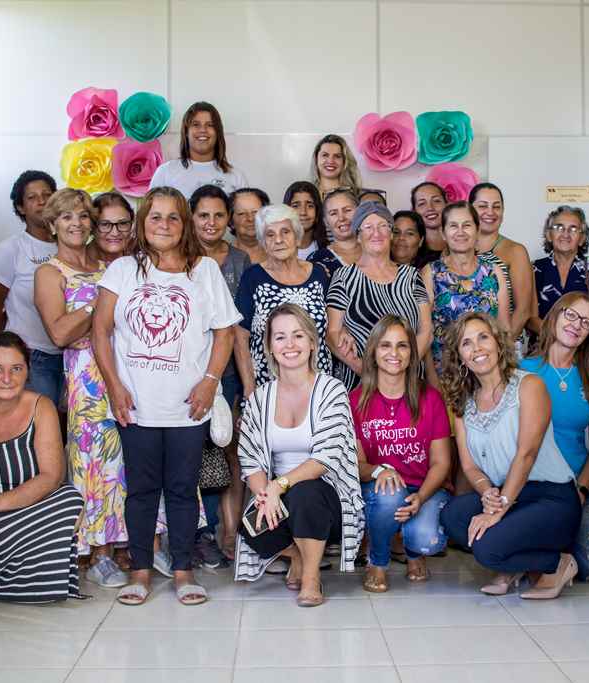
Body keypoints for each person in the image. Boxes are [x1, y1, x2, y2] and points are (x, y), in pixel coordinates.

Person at [92, 186, 240, 606]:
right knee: (140, 490)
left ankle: (182, 571)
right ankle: (139, 571)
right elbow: (100, 330)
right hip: (134, 403)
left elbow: (225, 332)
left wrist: (211, 380)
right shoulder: (122, 269)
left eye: (173, 217)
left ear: (185, 223)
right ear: (143, 222)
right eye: (155, 216)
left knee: (181, 489)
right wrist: (114, 386)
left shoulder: (204, 271)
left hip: (188, 405)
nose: (163, 225)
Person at [439, 313, 581, 599]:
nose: (477, 348)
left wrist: (498, 509)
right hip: (508, 494)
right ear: (460, 357)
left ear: (498, 343)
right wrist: (487, 492)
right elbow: (469, 465)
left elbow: (526, 455)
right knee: (453, 517)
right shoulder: (463, 402)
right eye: (466, 343)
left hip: (550, 498)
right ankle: (517, 561)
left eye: (483, 337)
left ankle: (559, 563)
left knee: (486, 549)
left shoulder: (529, 386)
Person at [234, 304, 364, 608]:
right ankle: (299, 556)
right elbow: (250, 460)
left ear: (312, 342)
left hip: (326, 497)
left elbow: (324, 459)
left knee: (306, 494)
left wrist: (279, 486)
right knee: (251, 525)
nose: (289, 345)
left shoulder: (332, 390)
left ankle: (310, 579)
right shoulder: (260, 399)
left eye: (298, 336)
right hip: (278, 495)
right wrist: (265, 495)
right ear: (269, 346)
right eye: (280, 337)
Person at [33, 189, 130, 587]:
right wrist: (97, 307)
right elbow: (58, 333)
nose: (77, 224)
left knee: (124, 462)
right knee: (95, 462)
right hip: (87, 381)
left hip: (123, 368)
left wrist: (89, 323)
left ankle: (128, 543)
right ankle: (97, 551)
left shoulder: (106, 261)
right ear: (52, 224)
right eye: (66, 217)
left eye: (83, 217)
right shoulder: (49, 273)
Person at [0, 332, 85, 602]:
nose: (7, 378)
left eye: (16, 369)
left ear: (28, 371)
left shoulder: (40, 406)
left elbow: (51, 476)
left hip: (26, 502)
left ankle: (7, 573)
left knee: (70, 499)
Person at [350, 316, 451, 592]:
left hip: (425, 487)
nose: (393, 354)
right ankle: (377, 561)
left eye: (402, 346)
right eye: (385, 345)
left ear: (412, 353)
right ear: (373, 351)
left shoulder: (430, 398)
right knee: (390, 493)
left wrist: (421, 496)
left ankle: (413, 551)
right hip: (380, 488)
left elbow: (442, 462)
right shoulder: (356, 400)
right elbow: (356, 464)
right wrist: (380, 470)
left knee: (426, 540)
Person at [520, 292, 589, 582]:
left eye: (586, 321)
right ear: (555, 316)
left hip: (577, 484)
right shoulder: (521, 370)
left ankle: (555, 549)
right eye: (571, 314)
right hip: (533, 485)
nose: (577, 325)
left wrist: (582, 491)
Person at [191, 184, 251, 563]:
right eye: (203, 215)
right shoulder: (179, 259)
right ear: (191, 219)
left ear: (228, 219)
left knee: (231, 451)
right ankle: (198, 532)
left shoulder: (241, 260)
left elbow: (240, 330)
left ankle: (230, 534)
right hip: (185, 372)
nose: (211, 222)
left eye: (218, 215)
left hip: (227, 371)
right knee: (191, 453)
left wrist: (247, 386)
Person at [327, 201, 432, 390]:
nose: (376, 233)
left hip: (409, 384)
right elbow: (333, 333)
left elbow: (426, 331)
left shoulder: (411, 276)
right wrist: (366, 372)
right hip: (361, 384)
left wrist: (404, 369)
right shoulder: (343, 277)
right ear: (358, 235)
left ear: (391, 233)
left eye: (383, 226)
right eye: (368, 227)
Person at [0, 170, 63, 405]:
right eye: (32, 197)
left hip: (70, 357)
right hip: (32, 355)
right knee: (37, 426)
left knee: (64, 431)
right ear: (20, 208)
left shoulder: (70, 245)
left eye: (47, 194)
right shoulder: (11, 249)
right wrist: (2, 351)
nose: (41, 201)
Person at [235, 204, 332, 393]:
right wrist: (248, 386)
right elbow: (240, 337)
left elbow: (333, 326)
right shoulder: (252, 277)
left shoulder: (319, 273)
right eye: (270, 235)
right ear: (263, 242)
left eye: (285, 232)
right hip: (267, 383)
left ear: (297, 236)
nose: (278, 240)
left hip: (318, 380)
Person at [422, 201, 511, 386]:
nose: (460, 232)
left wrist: (505, 374)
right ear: (443, 234)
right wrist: (432, 381)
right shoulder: (431, 273)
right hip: (445, 377)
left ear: (478, 231)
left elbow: (504, 330)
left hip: (488, 377)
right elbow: (425, 332)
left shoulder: (494, 272)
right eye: (453, 226)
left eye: (467, 225)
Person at [529, 206, 589, 369]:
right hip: (542, 354)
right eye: (559, 227)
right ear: (549, 235)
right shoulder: (534, 269)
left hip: (583, 356)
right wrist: (561, 337)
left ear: (582, 238)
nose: (565, 234)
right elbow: (530, 318)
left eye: (573, 229)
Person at [470, 182, 533, 347]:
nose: (490, 212)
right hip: (466, 347)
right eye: (483, 206)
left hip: (506, 346)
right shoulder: (454, 249)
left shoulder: (515, 251)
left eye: (496, 207)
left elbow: (523, 311)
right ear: (469, 210)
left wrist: (500, 350)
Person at [149, 102, 248, 197]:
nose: (203, 130)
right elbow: (150, 212)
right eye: (196, 124)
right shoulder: (166, 172)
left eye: (210, 125)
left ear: (218, 132)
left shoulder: (236, 176)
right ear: (186, 132)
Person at [307, 188, 361, 279]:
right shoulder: (317, 259)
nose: (341, 218)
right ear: (326, 222)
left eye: (347, 210)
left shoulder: (377, 250)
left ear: (360, 212)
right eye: (333, 213)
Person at [90, 191, 136, 265]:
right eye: (105, 224)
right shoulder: (75, 265)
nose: (115, 233)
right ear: (92, 227)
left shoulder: (143, 256)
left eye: (123, 223)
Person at [284, 181, 326, 260]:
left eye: (310, 206)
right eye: (296, 206)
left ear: (317, 212)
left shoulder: (328, 250)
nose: (303, 212)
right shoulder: (277, 249)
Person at [229, 187, 271, 266]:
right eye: (241, 213)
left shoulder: (279, 252)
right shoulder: (222, 258)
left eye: (255, 212)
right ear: (231, 222)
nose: (250, 218)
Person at [411, 182, 447, 264]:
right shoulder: (410, 252)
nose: (430, 208)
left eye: (436, 201)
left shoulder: (463, 243)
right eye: (422, 204)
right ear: (414, 211)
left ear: (446, 204)